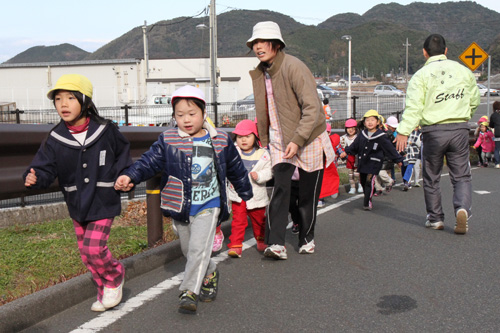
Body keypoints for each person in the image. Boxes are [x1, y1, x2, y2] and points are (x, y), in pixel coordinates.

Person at [114, 85, 252, 314]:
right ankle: (210, 271)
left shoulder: (221, 140)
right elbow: (148, 162)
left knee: (198, 249)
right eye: (180, 115)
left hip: (210, 205)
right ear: (174, 116)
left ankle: (189, 291)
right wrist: (130, 175)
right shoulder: (168, 140)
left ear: (203, 112)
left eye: (192, 114)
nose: (186, 120)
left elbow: (236, 169)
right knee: (190, 250)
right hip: (180, 205)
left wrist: (245, 192)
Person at [23, 74, 132, 312]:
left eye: (71, 98)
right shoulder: (54, 138)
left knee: (94, 248)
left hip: (103, 198)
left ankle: (114, 276)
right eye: (58, 99)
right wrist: (34, 177)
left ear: (86, 101)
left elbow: (123, 156)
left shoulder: (106, 130)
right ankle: (103, 289)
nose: (63, 104)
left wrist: (127, 177)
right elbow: (44, 167)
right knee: (85, 253)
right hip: (77, 202)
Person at [247, 21, 335, 258]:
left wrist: (297, 139)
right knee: (280, 190)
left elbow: (313, 108)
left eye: (262, 42)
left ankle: (307, 237)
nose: (258, 47)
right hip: (278, 141)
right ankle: (275, 243)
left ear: (276, 44)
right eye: (255, 42)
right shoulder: (260, 73)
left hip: (309, 138)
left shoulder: (294, 67)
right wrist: (265, 138)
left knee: (307, 195)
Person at [395, 34, 480, 234]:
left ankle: (435, 218)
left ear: (424, 53)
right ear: (446, 50)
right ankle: (462, 208)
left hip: (433, 131)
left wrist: (403, 131)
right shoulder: (463, 71)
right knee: (461, 175)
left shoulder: (420, 76)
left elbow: (414, 107)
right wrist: (464, 115)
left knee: (431, 176)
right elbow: (474, 99)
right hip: (459, 128)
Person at [227, 119, 273, 257]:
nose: (243, 140)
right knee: (238, 221)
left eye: (247, 136)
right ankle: (235, 245)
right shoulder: (233, 152)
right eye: (240, 137)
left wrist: (259, 175)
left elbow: (269, 171)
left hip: (256, 194)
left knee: (259, 220)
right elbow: (228, 168)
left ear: (255, 136)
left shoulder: (263, 154)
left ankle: (261, 240)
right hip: (238, 193)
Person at [341, 110, 403, 210]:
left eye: (372, 120)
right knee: (363, 181)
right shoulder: (362, 134)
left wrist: (398, 160)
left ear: (378, 122)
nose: (370, 122)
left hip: (374, 163)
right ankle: (371, 192)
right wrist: (346, 151)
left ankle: (367, 203)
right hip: (362, 162)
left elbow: (390, 149)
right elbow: (354, 146)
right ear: (364, 122)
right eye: (367, 120)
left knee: (369, 181)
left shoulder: (381, 136)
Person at [318, 124, 340, 207]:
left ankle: (333, 190)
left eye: (326, 132)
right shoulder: (318, 142)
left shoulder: (332, 141)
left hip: (330, 165)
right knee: (320, 182)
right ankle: (320, 199)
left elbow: (339, 148)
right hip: (320, 165)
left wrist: (343, 154)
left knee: (331, 178)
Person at [340, 118, 362, 194]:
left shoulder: (358, 137)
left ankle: (360, 185)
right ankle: (352, 187)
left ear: (356, 129)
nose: (351, 130)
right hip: (349, 158)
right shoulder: (344, 138)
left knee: (357, 173)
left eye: (353, 128)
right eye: (349, 128)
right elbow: (342, 147)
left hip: (357, 158)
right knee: (350, 174)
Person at [487, 101, 500, 168]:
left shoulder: (493, 115)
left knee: (497, 148)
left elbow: (491, 125)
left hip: (497, 133)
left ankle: (497, 163)